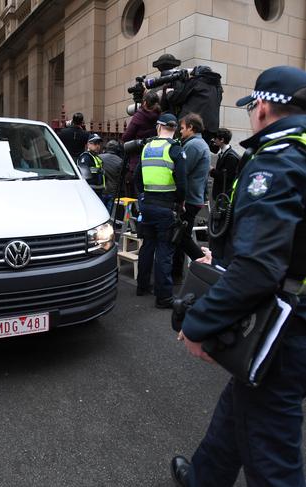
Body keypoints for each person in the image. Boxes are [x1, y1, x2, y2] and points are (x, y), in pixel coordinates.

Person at [171, 65, 306, 487]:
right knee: (238, 408)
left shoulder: (278, 162)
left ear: (263, 107)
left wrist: (199, 323)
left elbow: (260, 268)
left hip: (284, 330)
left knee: (271, 454)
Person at [134, 113, 187, 308]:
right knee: (165, 250)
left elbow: (137, 177)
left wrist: (142, 196)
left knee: (147, 245)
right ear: (175, 129)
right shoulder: (175, 149)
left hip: (147, 205)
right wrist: (181, 202)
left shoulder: (147, 148)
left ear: (158, 127)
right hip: (166, 207)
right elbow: (182, 182)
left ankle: (142, 286)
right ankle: (164, 297)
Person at [172, 113, 211, 280]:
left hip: (189, 200)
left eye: (182, 128)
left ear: (191, 128)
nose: (180, 131)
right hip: (193, 198)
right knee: (180, 238)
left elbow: (181, 172)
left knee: (182, 238)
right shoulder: (198, 143)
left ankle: (207, 266)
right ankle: (176, 274)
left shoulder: (193, 145)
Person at [122, 90, 161, 197]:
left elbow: (126, 137)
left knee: (134, 193)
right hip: (154, 159)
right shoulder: (159, 116)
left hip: (138, 160)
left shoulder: (140, 116)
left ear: (144, 103)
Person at [209, 127, 240, 199]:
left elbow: (226, 178)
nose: (213, 140)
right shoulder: (225, 153)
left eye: (215, 138)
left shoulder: (231, 157)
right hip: (221, 194)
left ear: (222, 140)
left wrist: (211, 170)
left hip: (224, 196)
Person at [77, 133, 105, 202]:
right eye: (95, 144)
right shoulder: (85, 157)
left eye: (99, 144)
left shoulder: (96, 157)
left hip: (99, 191)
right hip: (90, 191)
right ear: (88, 144)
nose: (98, 146)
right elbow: (85, 173)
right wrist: (99, 170)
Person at [99, 139, 124, 213]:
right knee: (111, 215)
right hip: (113, 191)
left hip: (101, 189)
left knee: (101, 213)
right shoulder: (120, 161)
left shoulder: (99, 157)